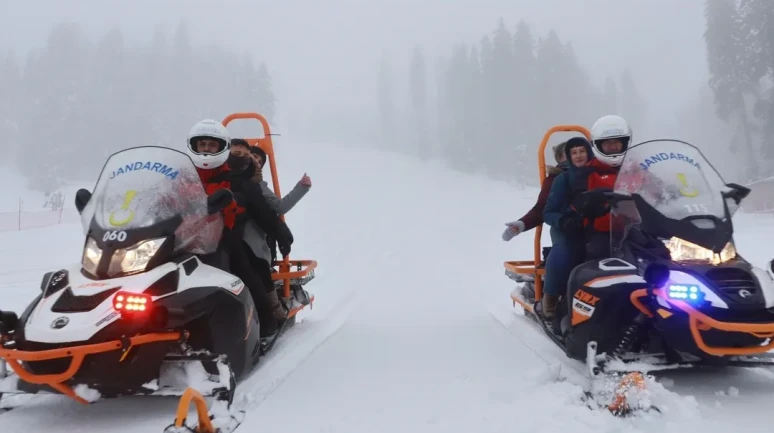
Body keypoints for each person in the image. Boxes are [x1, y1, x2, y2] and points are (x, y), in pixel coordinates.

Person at [186, 119, 294, 346]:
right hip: (185, 240)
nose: (206, 149)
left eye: (211, 145)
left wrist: (280, 230)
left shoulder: (234, 175)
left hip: (224, 239)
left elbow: (256, 204)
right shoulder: (183, 174)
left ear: (221, 148)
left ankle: (267, 325)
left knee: (247, 274)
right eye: (202, 144)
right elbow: (162, 196)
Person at [540, 115, 632, 319]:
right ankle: (552, 296)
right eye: (573, 153)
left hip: (607, 225)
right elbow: (546, 210)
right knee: (565, 250)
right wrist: (564, 221)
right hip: (570, 225)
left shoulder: (600, 171)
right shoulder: (562, 179)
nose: (579, 156)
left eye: (582, 151)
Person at [502, 141, 569, 244]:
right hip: (565, 230)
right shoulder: (554, 180)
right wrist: (522, 223)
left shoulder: (593, 173)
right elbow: (542, 207)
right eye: (570, 152)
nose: (576, 156)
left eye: (581, 151)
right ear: (559, 158)